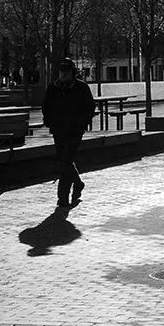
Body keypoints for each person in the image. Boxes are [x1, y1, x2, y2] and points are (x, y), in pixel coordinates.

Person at [41, 57, 96, 213]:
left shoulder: (81, 88)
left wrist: (81, 124)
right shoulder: (53, 88)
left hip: (74, 130)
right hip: (58, 130)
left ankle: (62, 196)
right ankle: (78, 183)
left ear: (73, 73)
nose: (63, 75)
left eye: (66, 72)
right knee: (65, 159)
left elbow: (89, 108)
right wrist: (50, 122)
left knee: (66, 160)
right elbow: (46, 107)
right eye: (61, 71)